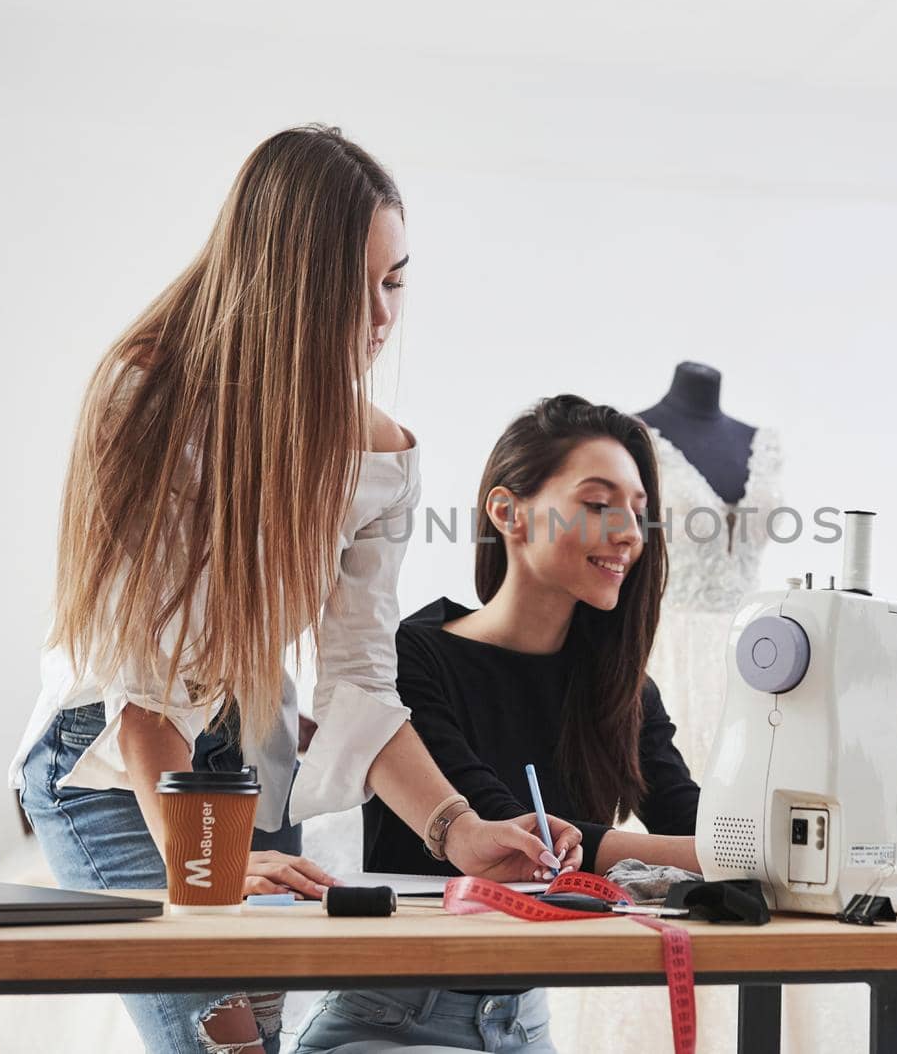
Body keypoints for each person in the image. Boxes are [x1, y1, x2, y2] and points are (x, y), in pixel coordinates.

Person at [11, 126, 581, 1054]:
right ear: (279, 285)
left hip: (242, 758)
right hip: (112, 765)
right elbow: (139, 692)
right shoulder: (145, 401)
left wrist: (460, 829)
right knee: (223, 1045)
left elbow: (359, 684)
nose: (381, 316)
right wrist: (211, 871)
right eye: (349, 289)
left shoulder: (381, 457)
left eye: (393, 280)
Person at [294, 395, 701, 1054]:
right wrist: (754, 853)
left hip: (523, 1023)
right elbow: (517, 840)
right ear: (508, 512)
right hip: (392, 1019)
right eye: (598, 504)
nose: (627, 532)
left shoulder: (621, 691)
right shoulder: (409, 659)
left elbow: (692, 820)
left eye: (638, 513)